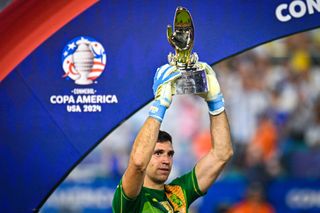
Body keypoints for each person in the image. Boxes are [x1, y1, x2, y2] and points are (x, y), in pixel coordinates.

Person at [112, 62, 234, 212]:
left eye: (170, 154)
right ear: (146, 154)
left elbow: (222, 154)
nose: (166, 160)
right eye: (158, 153)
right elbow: (137, 163)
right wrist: (160, 104)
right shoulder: (130, 200)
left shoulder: (179, 192)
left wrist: (216, 103)